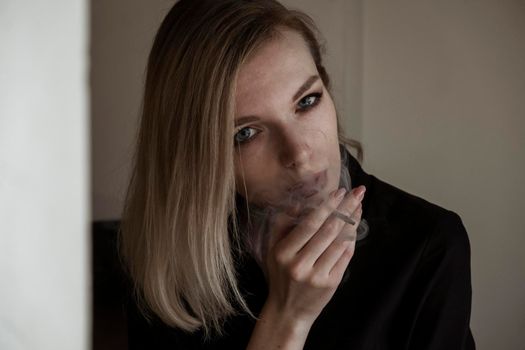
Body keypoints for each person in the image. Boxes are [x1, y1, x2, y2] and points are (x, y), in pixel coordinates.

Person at [119, 0, 475, 349]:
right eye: (245, 133)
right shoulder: (164, 262)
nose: (299, 154)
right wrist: (288, 318)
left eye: (307, 101)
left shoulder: (427, 245)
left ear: (328, 87)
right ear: (196, 155)